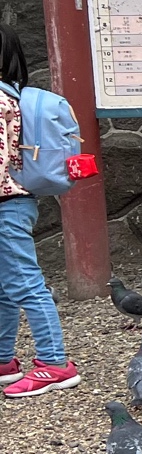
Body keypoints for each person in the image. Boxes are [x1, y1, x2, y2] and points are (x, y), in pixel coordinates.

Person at [0, 24, 78, 398]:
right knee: (6, 286)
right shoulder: (11, 96)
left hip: (5, 206)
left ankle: (54, 364)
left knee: (26, 285)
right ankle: (4, 361)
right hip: (16, 203)